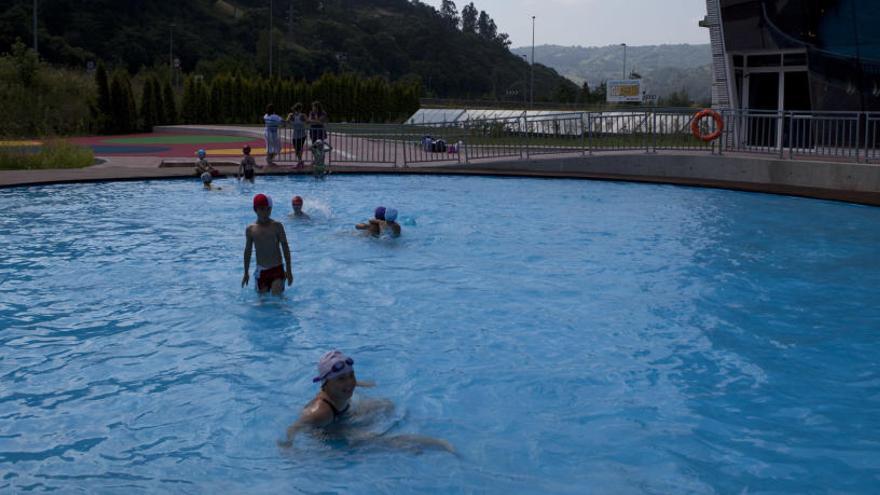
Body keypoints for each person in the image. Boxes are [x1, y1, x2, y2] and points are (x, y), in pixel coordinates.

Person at [279, 350, 454, 454]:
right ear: (326, 382)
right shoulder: (319, 412)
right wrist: (289, 447)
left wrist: (360, 383)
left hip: (342, 415)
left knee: (386, 404)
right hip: (330, 432)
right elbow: (294, 427)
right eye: (341, 379)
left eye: (351, 376)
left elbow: (346, 381)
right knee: (373, 437)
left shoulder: (340, 387)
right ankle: (407, 444)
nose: (349, 383)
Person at [242, 193, 294, 295]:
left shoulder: (277, 226)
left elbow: (285, 248)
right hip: (261, 271)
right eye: (261, 209)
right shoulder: (251, 229)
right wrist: (246, 272)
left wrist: (289, 270)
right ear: (255, 209)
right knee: (262, 303)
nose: (265, 212)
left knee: (277, 299)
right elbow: (247, 251)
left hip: (277, 269)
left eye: (268, 209)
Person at [286, 103, 308, 168]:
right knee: (296, 149)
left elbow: (307, 121)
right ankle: (300, 161)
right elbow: (287, 120)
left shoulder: (302, 115)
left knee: (300, 148)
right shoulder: (291, 115)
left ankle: (299, 161)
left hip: (302, 134)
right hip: (295, 134)